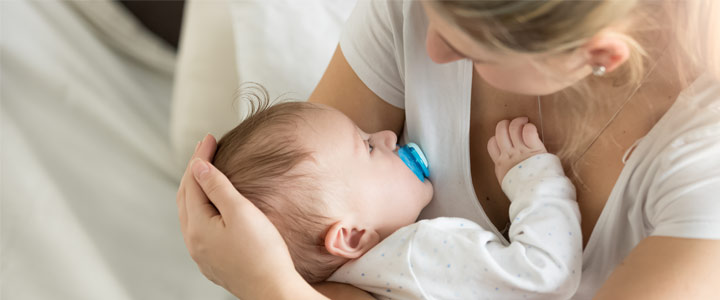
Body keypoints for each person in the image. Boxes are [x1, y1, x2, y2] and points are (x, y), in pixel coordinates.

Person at [176, 0, 720, 299]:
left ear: (599, 53)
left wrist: (266, 286)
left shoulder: (702, 160)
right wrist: (537, 181)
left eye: (467, 41)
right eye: (369, 146)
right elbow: (301, 237)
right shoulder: (408, 10)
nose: (430, 46)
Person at [211, 93, 581, 298]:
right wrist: (535, 181)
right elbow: (546, 277)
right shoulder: (417, 256)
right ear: (351, 235)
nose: (389, 136)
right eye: (368, 146)